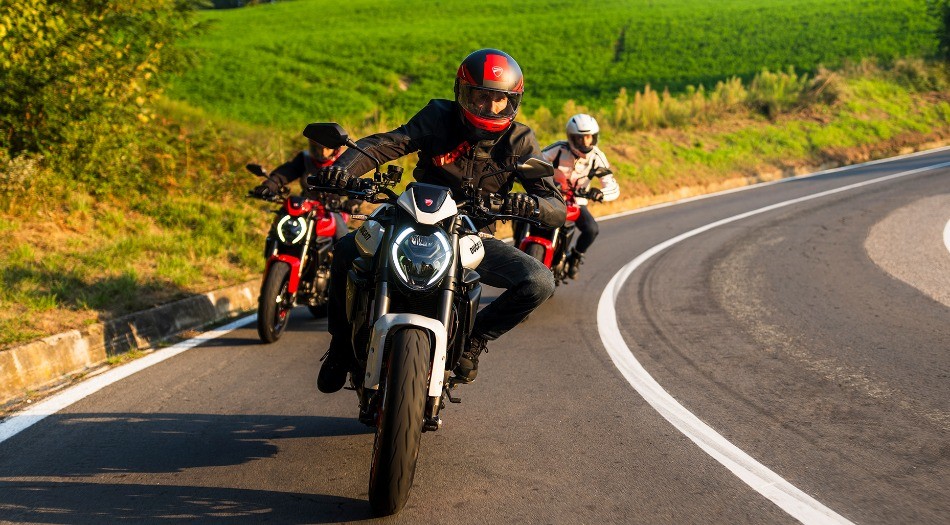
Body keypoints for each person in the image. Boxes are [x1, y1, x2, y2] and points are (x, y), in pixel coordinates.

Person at [311, 48, 567, 393]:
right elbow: (387, 144)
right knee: (345, 251)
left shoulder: (519, 140)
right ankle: (341, 346)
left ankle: (473, 341)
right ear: (462, 92)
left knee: (539, 282)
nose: (490, 107)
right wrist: (343, 170)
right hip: (410, 218)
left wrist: (528, 204)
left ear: (512, 102)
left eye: (499, 99)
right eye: (480, 96)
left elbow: (555, 205)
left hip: (472, 235)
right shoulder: (438, 116)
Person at [540, 114, 620, 278]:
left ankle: (575, 257)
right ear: (571, 137)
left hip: (577, 201)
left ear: (594, 137)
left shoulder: (597, 157)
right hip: (551, 195)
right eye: (580, 138)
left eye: (589, 137)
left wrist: (600, 193)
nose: (585, 142)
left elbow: (612, 186)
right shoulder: (559, 148)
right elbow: (536, 161)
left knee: (592, 229)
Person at [251, 139, 351, 241]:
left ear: (335, 149)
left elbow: (354, 184)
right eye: (318, 148)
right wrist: (269, 186)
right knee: (276, 230)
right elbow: (287, 172)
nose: (323, 153)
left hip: (332, 210)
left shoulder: (344, 164)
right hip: (305, 206)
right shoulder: (305, 159)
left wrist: (353, 203)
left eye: (327, 149)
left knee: (344, 241)